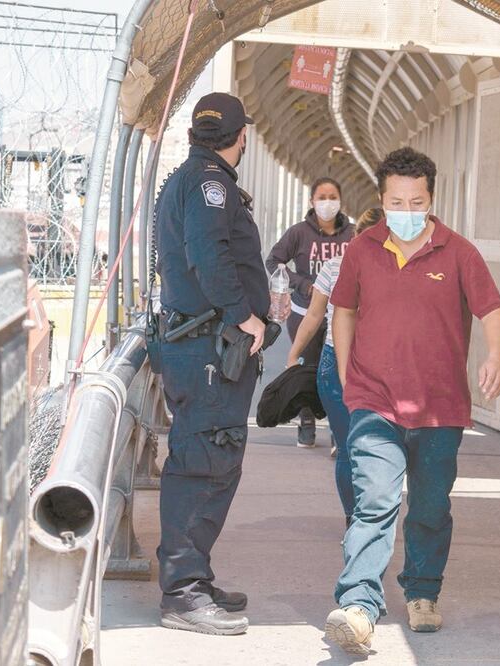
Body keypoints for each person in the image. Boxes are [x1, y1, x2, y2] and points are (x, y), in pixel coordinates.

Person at [322, 149, 500, 655]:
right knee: (375, 500)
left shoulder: (459, 252)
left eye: (416, 201)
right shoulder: (363, 248)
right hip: (375, 402)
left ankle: (423, 592)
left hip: (439, 407)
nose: (405, 209)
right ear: (381, 201)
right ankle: (359, 605)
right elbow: (343, 311)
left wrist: (496, 355)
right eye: (395, 201)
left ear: (431, 200)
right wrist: (346, 375)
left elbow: (493, 311)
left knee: (430, 505)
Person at [153, 92, 269, 635]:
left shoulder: (189, 177)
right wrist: (245, 315)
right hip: (206, 349)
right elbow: (208, 253)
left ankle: (193, 576)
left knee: (211, 460)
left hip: (198, 346)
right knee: (201, 463)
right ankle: (182, 592)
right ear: (240, 135)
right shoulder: (211, 184)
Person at [286, 207, 383, 522]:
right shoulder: (335, 267)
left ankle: (368, 515)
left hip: (382, 367)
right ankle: (355, 519)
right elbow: (314, 316)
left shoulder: (398, 272)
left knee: (374, 449)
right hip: (335, 363)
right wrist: (294, 353)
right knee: (348, 446)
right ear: (356, 238)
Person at [266, 178, 355, 447]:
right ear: (312, 201)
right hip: (305, 311)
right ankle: (306, 419)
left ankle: (339, 427)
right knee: (310, 365)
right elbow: (273, 261)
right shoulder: (299, 233)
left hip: (342, 313)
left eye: (332, 196)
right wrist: (302, 284)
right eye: (322, 197)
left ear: (340, 200)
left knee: (341, 366)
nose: (327, 202)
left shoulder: (352, 233)